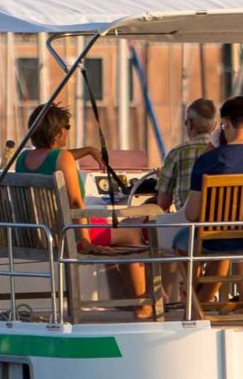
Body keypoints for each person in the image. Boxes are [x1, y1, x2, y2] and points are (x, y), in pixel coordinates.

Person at [17, 102, 154, 316]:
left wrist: (89, 150)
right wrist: (85, 242)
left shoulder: (23, 159)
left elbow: (55, 157)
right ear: (57, 134)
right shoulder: (63, 158)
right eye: (66, 129)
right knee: (131, 231)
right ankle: (142, 304)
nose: (67, 134)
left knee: (121, 228)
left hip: (40, 233)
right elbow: (75, 204)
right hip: (68, 235)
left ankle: (135, 301)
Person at [171, 94, 243, 313]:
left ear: (224, 122)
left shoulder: (207, 161)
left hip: (212, 241)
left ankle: (194, 300)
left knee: (180, 240)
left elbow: (191, 214)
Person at [154, 99, 219, 214]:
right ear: (214, 126)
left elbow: (163, 204)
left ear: (191, 124)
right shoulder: (224, 152)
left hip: (187, 224)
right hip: (219, 225)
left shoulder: (177, 153)